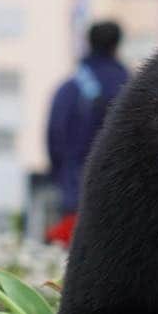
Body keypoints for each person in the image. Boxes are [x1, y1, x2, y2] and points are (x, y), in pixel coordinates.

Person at [46, 21, 129, 216]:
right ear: (117, 45)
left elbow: (54, 135)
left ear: (89, 43)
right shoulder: (132, 87)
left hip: (76, 194)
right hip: (121, 198)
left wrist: (63, 178)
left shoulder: (69, 89)